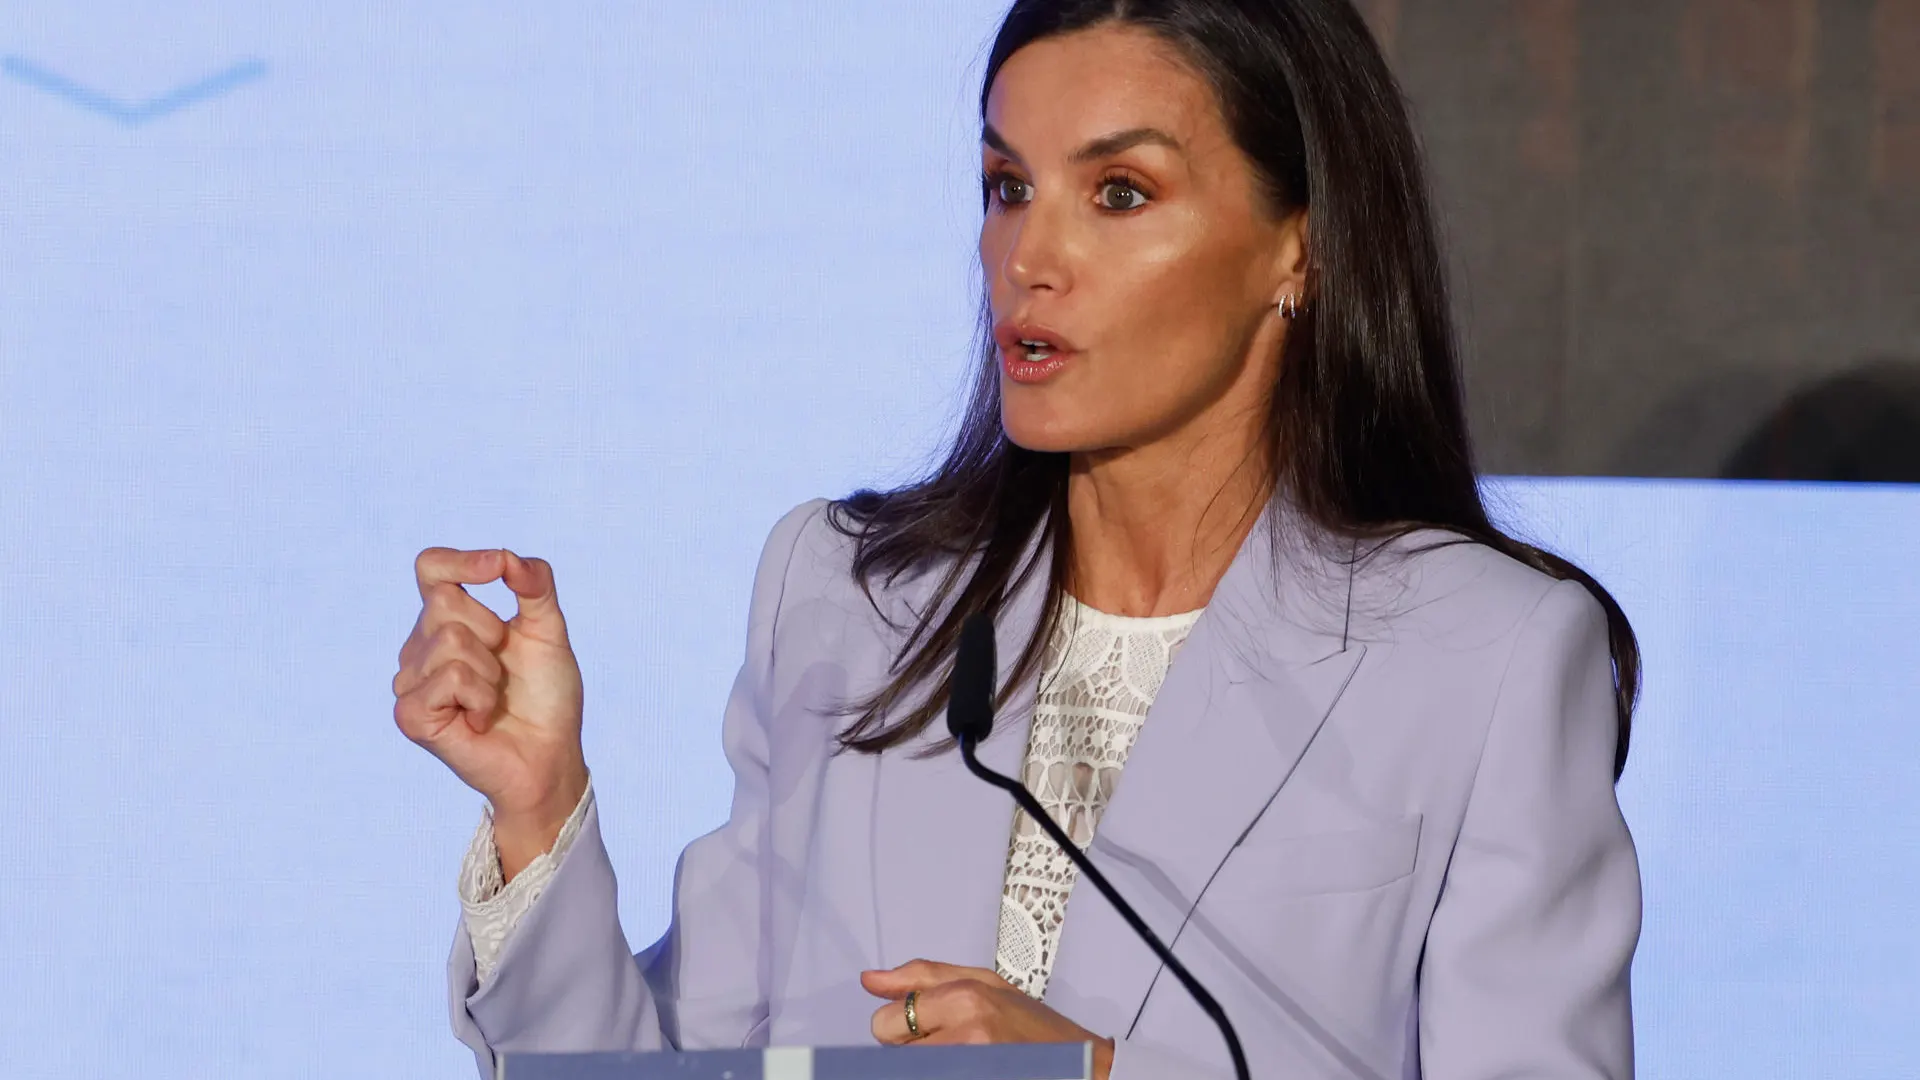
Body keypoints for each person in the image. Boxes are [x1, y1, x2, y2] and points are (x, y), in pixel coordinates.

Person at [391, 1, 1643, 1076]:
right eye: (1007, 188)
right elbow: (674, 1068)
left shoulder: (1487, 657)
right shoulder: (850, 599)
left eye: (1118, 193)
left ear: (1298, 247)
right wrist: (538, 809)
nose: (1030, 256)